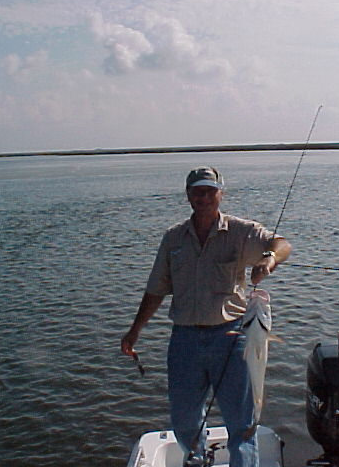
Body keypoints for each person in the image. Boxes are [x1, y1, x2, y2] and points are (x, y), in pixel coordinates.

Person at [121, 166, 292, 467]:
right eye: (197, 192)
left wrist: (269, 259)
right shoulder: (173, 238)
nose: (204, 198)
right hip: (185, 340)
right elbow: (156, 290)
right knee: (184, 419)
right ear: (188, 195)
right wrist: (134, 331)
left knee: (241, 421)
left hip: (232, 337)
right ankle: (196, 460)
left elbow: (282, 244)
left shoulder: (240, 231)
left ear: (221, 194)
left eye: (210, 191)